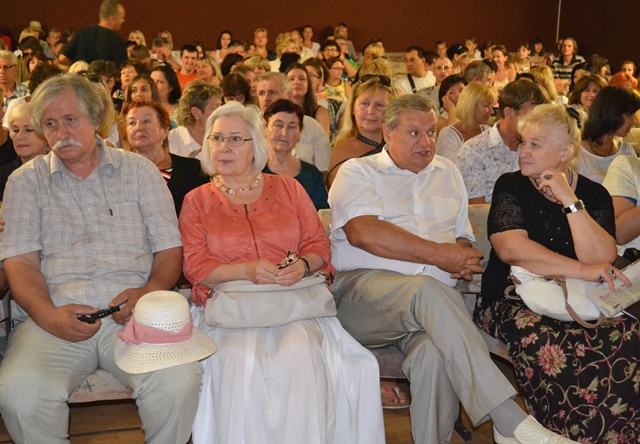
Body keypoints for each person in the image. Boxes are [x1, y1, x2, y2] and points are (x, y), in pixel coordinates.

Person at [329, 94, 577, 444]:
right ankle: (510, 419)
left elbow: (461, 238)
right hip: (365, 299)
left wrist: (462, 258)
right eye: (414, 133)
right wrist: (439, 256)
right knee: (428, 291)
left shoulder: (447, 172)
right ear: (387, 133)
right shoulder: (357, 171)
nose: (427, 142)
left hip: (433, 308)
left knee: (433, 353)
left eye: (431, 132)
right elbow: (362, 233)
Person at [0, 73, 203, 443]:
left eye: (71, 119)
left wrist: (151, 290)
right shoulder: (24, 183)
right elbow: (21, 264)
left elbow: (168, 249)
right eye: (50, 124)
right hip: (52, 318)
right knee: (20, 393)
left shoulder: (140, 171)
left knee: (178, 379)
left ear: (96, 120)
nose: (61, 131)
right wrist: (47, 315)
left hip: (133, 316)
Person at [179, 100, 384, 443]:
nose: (223, 147)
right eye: (216, 139)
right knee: (236, 360)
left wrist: (302, 266)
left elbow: (320, 246)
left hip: (294, 304)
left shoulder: (289, 189)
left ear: (255, 145)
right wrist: (246, 270)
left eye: (235, 139)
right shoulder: (196, 200)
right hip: (229, 309)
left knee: (300, 355)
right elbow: (196, 267)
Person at [476, 103, 637, 443]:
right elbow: (511, 249)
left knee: (626, 333)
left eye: (535, 144)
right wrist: (583, 270)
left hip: (582, 300)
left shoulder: (593, 194)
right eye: (523, 142)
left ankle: (615, 435)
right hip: (511, 300)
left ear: (565, 153)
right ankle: (557, 435)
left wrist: (569, 199)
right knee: (552, 343)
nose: (524, 151)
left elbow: (603, 256)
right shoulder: (511, 185)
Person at [456, 80, 548, 204]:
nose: (538, 121)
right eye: (532, 115)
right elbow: (476, 212)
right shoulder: (473, 151)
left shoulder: (541, 147)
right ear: (509, 113)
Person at [124, 100, 209, 215]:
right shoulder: (121, 172)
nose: (139, 127)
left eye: (147, 121)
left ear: (165, 130)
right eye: (132, 123)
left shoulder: (192, 169)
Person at [257, 72, 331, 172]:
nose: (265, 99)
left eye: (272, 92)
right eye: (261, 93)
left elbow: (323, 170)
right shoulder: (249, 127)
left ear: (289, 95)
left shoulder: (311, 126)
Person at [262, 99, 327, 210]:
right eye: (278, 125)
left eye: (292, 127)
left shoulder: (312, 175)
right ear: (265, 128)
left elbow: (320, 216)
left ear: (300, 133)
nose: (284, 133)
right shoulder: (252, 171)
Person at [576, 86, 640, 183]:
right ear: (614, 113)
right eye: (630, 115)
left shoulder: (627, 151)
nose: (633, 122)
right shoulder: (577, 151)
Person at [58, 0, 127, 68]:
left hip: (81, 78)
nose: (123, 21)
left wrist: (78, 68)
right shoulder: (117, 41)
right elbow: (120, 70)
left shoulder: (82, 33)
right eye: (122, 18)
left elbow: (62, 58)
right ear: (112, 19)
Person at [0, 102, 48, 198]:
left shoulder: (64, 169)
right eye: (16, 130)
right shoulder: (3, 177)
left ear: (46, 134)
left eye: (29, 130)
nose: (19, 136)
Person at [437, 82, 494, 161]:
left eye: (492, 106)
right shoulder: (447, 135)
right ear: (471, 105)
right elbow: (452, 169)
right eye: (487, 106)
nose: (492, 112)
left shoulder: (490, 132)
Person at [169, 80, 223, 159]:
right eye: (215, 108)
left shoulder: (222, 137)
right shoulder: (170, 141)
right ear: (196, 112)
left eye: (220, 106)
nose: (221, 112)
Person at [285, 63, 330, 137]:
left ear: (308, 83)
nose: (296, 82)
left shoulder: (321, 112)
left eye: (302, 78)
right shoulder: (279, 110)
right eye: (291, 79)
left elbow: (323, 144)